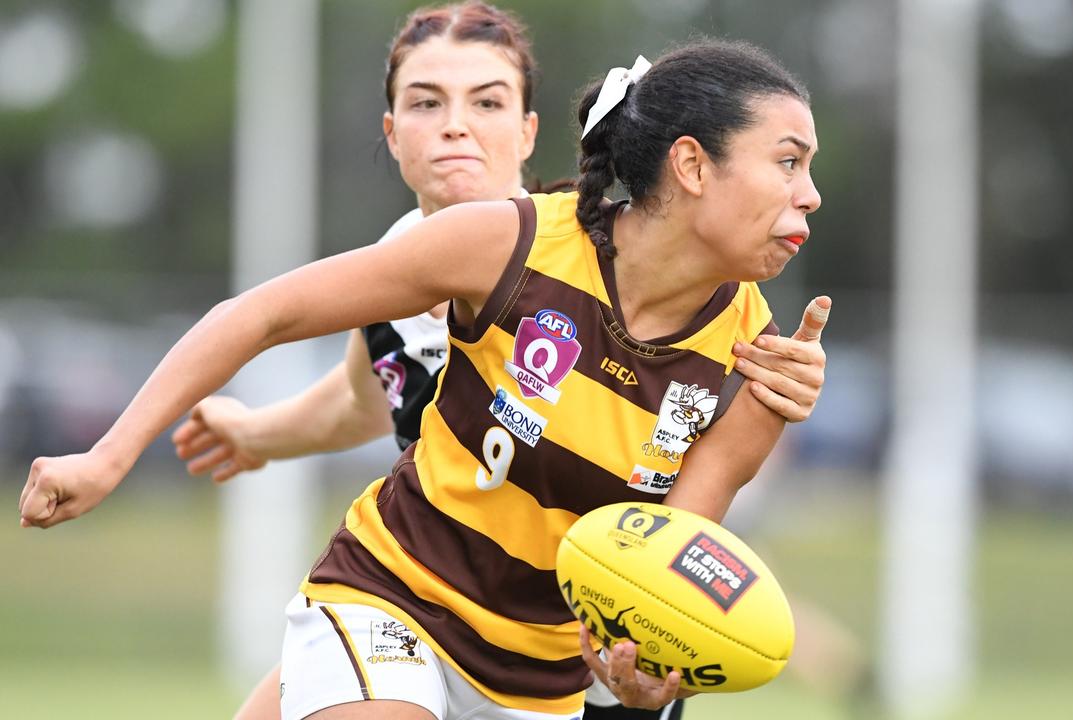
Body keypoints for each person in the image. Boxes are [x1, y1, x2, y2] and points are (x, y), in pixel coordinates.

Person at [20, 37, 824, 720]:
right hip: (394, 599)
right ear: (690, 164)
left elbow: (657, 576)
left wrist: (641, 680)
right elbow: (262, 315)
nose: (810, 195)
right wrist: (108, 457)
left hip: (540, 685)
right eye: (787, 162)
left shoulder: (760, 366)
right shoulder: (508, 246)